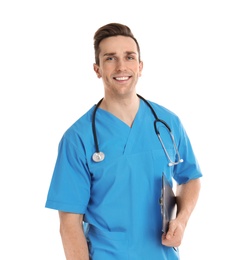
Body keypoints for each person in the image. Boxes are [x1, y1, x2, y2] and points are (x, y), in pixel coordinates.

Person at [45, 22, 202, 260]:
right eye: (110, 58)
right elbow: (69, 224)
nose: (121, 66)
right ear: (97, 69)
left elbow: (190, 177)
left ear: (140, 66)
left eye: (129, 57)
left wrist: (181, 220)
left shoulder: (168, 122)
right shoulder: (77, 139)